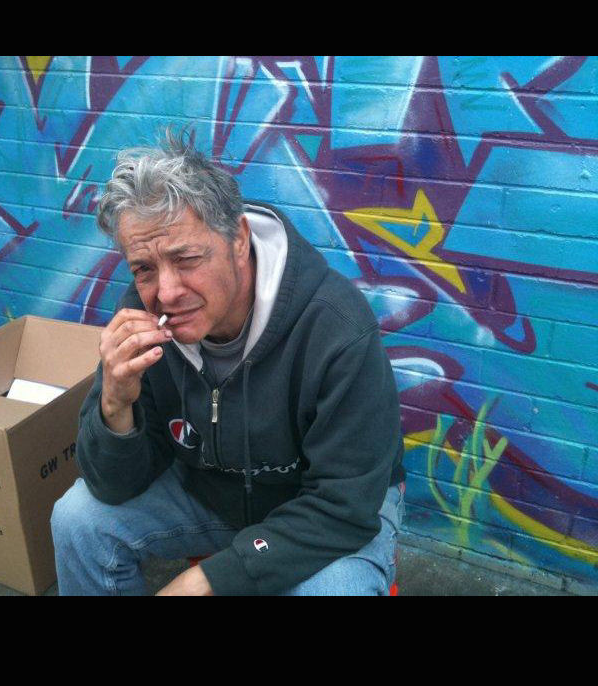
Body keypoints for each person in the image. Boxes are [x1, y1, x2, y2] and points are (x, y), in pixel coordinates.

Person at [50, 130, 406, 596]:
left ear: (238, 239)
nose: (167, 292)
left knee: (336, 590)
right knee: (77, 520)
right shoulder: (141, 316)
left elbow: (345, 507)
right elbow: (113, 487)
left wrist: (209, 579)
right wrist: (115, 406)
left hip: (328, 516)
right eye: (144, 268)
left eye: (186, 259)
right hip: (210, 492)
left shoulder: (335, 326)